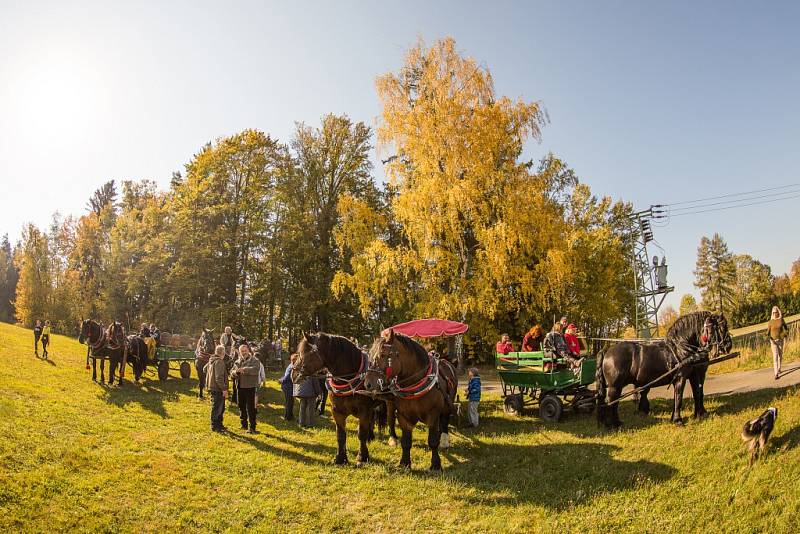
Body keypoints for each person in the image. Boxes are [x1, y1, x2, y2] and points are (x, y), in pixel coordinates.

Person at [230, 344, 261, 433]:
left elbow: (255, 370)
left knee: (251, 408)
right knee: (241, 406)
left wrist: (244, 369)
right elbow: (231, 371)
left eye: (245, 351)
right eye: (242, 351)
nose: (243, 353)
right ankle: (243, 425)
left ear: (248, 351)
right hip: (239, 387)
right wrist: (236, 372)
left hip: (250, 387)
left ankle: (252, 427)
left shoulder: (255, 360)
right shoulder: (237, 361)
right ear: (239, 352)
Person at [204, 345, 229, 432]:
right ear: (223, 353)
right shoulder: (219, 362)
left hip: (212, 387)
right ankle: (215, 426)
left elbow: (204, 369)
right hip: (217, 388)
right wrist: (224, 389)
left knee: (220, 407)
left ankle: (220, 425)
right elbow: (219, 378)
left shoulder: (211, 360)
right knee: (217, 407)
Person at [767, 306, 789, 380]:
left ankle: (779, 368)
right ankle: (776, 373)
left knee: (780, 355)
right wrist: (769, 338)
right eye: (773, 312)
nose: (774, 313)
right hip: (773, 342)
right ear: (772, 313)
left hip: (780, 341)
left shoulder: (781, 320)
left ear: (778, 312)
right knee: (775, 356)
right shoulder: (770, 322)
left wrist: (784, 334)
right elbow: (768, 332)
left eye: (776, 312)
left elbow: (786, 328)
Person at [278, 354, 297, 421]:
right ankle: (288, 417)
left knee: (290, 402)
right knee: (289, 402)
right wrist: (281, 380)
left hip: (288, 386)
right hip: (288, 386)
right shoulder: (292, 367)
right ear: (294, 360)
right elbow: (287, 377)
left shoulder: (291, 365)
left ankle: (290, 415)